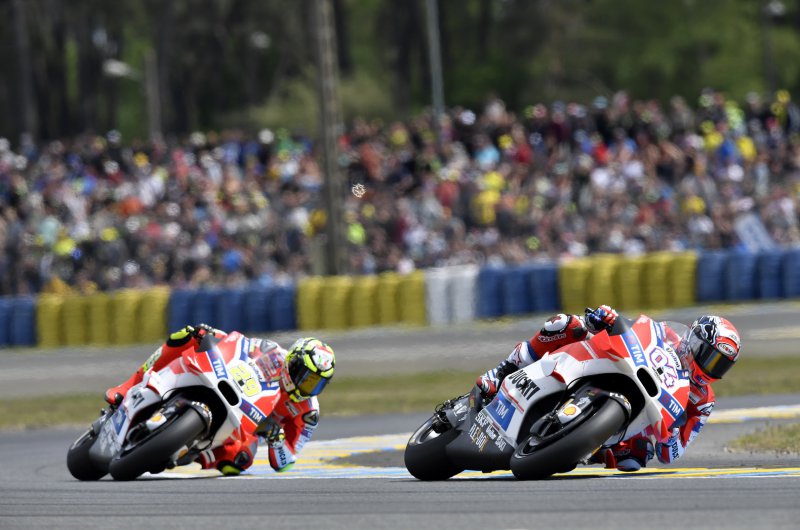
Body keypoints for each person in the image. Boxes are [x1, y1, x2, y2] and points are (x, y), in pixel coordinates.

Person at [475, 305, 741, 472]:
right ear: (694, 340)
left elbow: (672, 455)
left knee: (634, 459)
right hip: (622, 368)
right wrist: (606, 318)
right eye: (710, 357)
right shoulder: (666, 334)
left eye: (720, 365)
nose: (711, 368)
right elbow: (635, 332)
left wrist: (669, 435)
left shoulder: (703, 401)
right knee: (565, 324)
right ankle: (502, 371)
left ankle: (590, 446)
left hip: (635, 429)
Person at [105, 323, 335, 476]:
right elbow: (239, 344)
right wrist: (211, 335)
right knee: (190, 333)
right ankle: (128, 386)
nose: (307, 386)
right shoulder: (273, 353)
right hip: (233, 389)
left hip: (247, 428)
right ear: (292, 362)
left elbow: (286, 462)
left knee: (241, 459)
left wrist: (277, 438)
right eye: (306, 377)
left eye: (316, 383)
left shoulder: (308, 412)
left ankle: (190, 452)